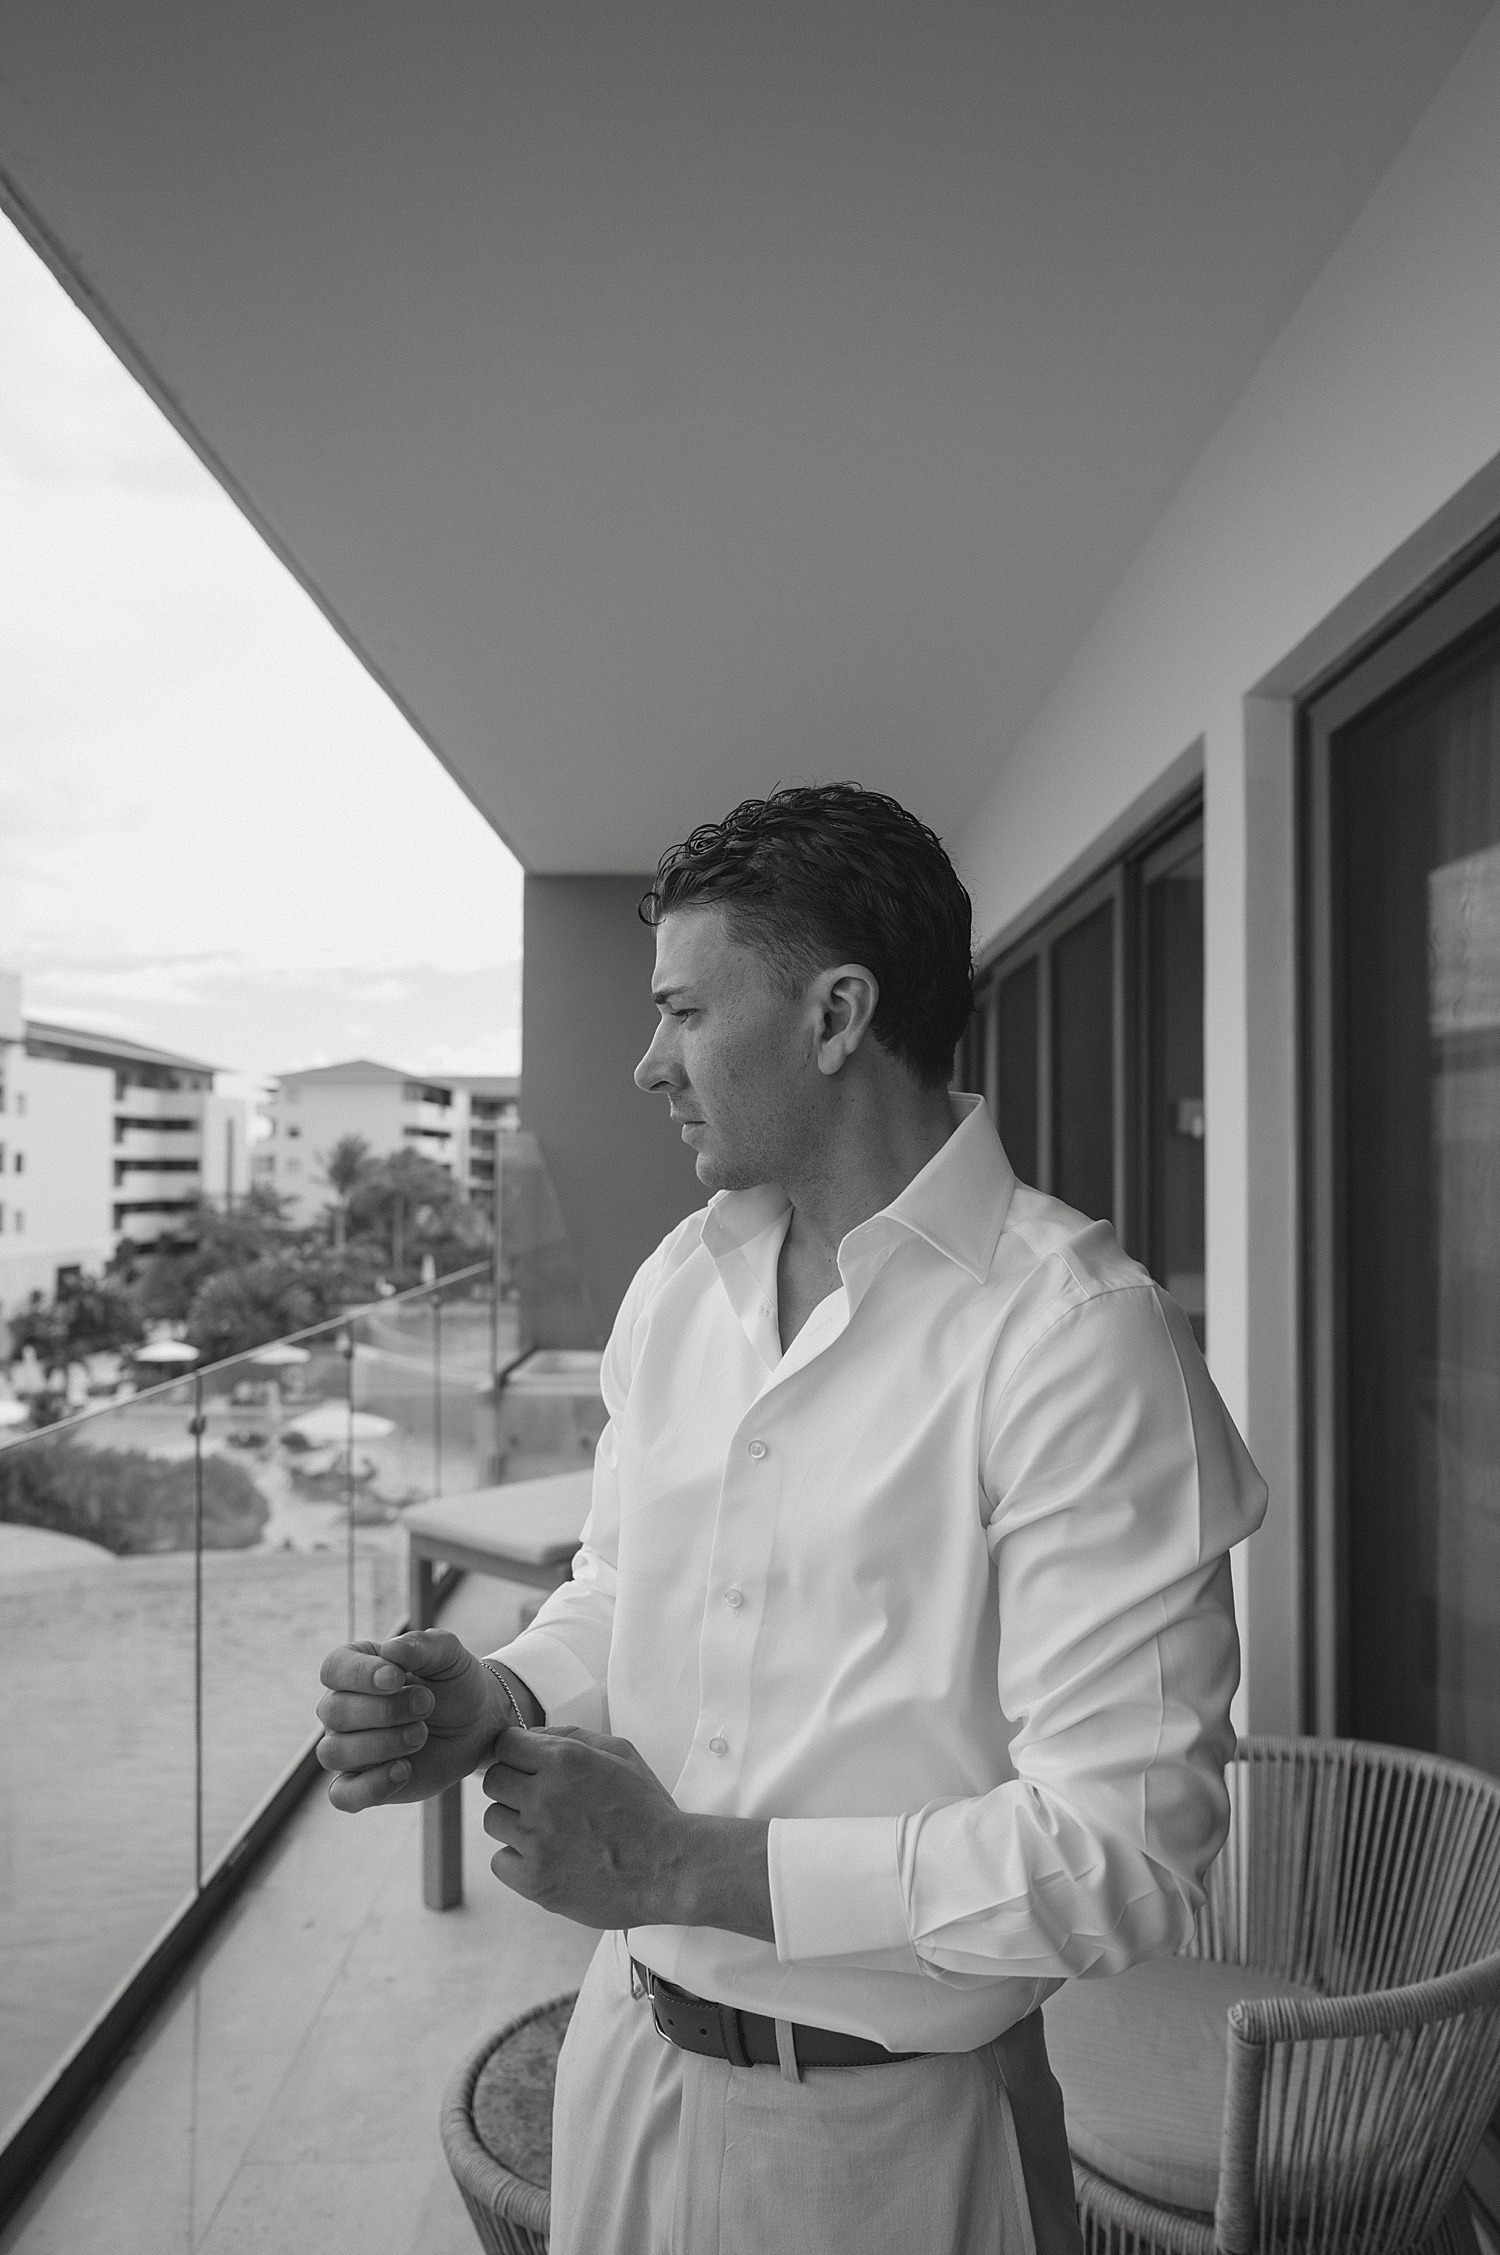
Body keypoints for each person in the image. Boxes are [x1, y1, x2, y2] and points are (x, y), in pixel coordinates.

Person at [315, 783, 1267, 2255]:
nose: (646, 1063)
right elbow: (626, 1578)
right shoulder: (678, 1288)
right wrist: (502, 1691)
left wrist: (690, 1867)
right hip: (625, 2064)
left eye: (685, 1012)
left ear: (835, 1016)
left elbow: (1124, 1856)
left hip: (893, 2143)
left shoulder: (1076, 1337)